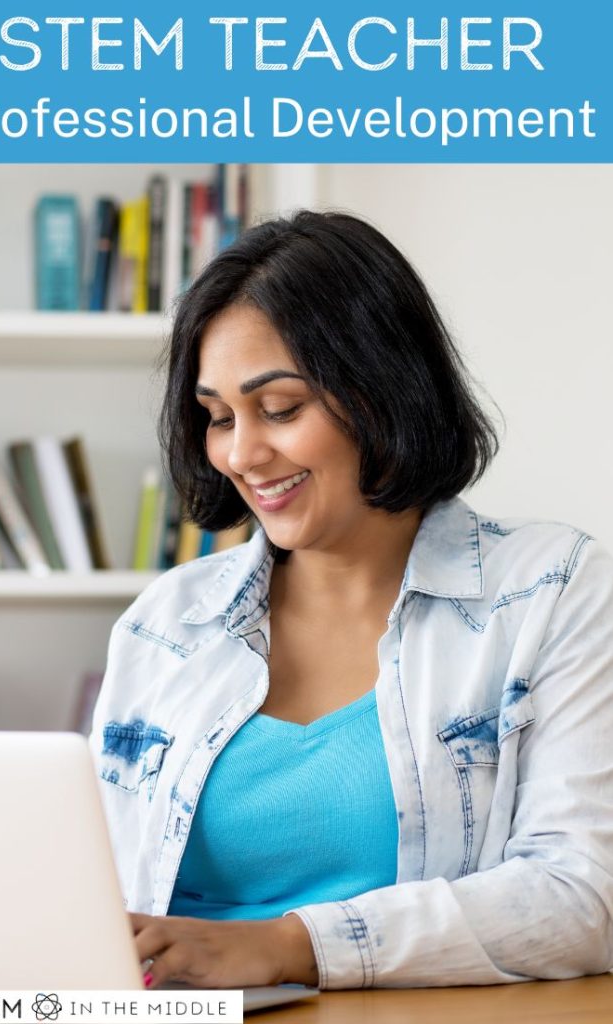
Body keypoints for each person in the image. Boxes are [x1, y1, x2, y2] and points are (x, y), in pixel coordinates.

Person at [90, 211, 613, 990]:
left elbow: (582, 900)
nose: (240, 454)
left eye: (280, 409)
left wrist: (290, 944)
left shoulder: (550, 589)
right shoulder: (168, 622)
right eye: (217, 417)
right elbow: (90, 886)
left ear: (380, 391)